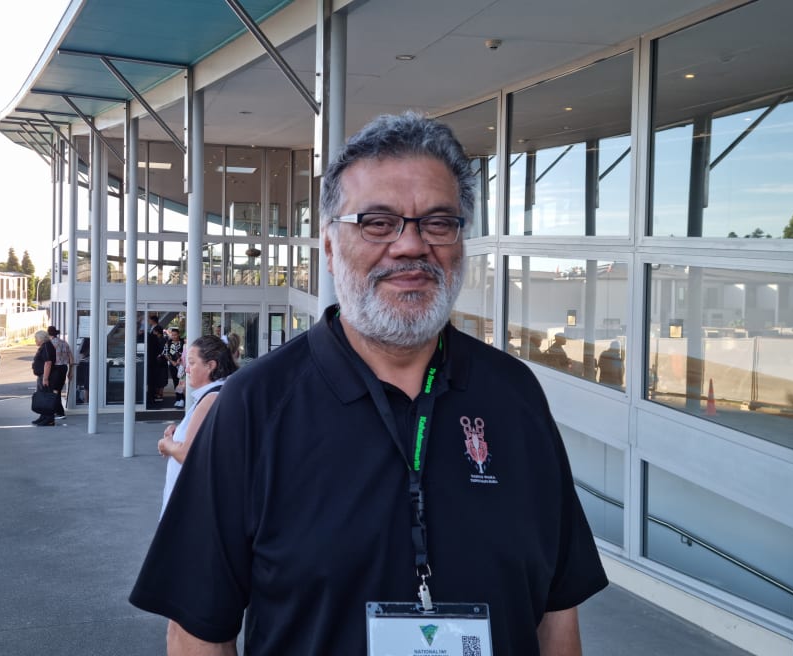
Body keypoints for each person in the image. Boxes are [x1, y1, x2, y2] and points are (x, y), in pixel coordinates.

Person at [130, 112, 607, 655]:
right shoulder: (254, 407)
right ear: (331, 248)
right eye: (378, 222)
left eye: (438, 223)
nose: (411, 245)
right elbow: (196, 632)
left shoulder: (514, 396)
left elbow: (556, 615)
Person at [157, 335, 237, 516]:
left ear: (210, 365)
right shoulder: (218, 394)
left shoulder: (211, 398)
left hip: (189, 506)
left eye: (192, 363)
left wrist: (167, 444)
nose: (187, 369)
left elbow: (187, 454)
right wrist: (178, 433)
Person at [47, 325, 73, 419]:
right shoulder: (64, 343)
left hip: (55, 369)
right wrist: (70, 372)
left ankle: (59, 412)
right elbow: (71, 359)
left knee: (54, 391)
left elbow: (48, 360)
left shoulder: (50, 344)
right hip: (64, 368)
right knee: (58, 390)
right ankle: (57, 411)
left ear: (49, 334)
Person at [31, 330, 56, 426]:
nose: (35, 340)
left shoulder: (46, 346)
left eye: (36, 339)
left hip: (45, 376)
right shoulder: (45, 346)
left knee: (46, 398)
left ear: (41, 339)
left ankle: (49, 419)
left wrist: (45, 378)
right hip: (42, 375)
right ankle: (43, 416)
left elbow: (48, 362)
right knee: (42, 397)